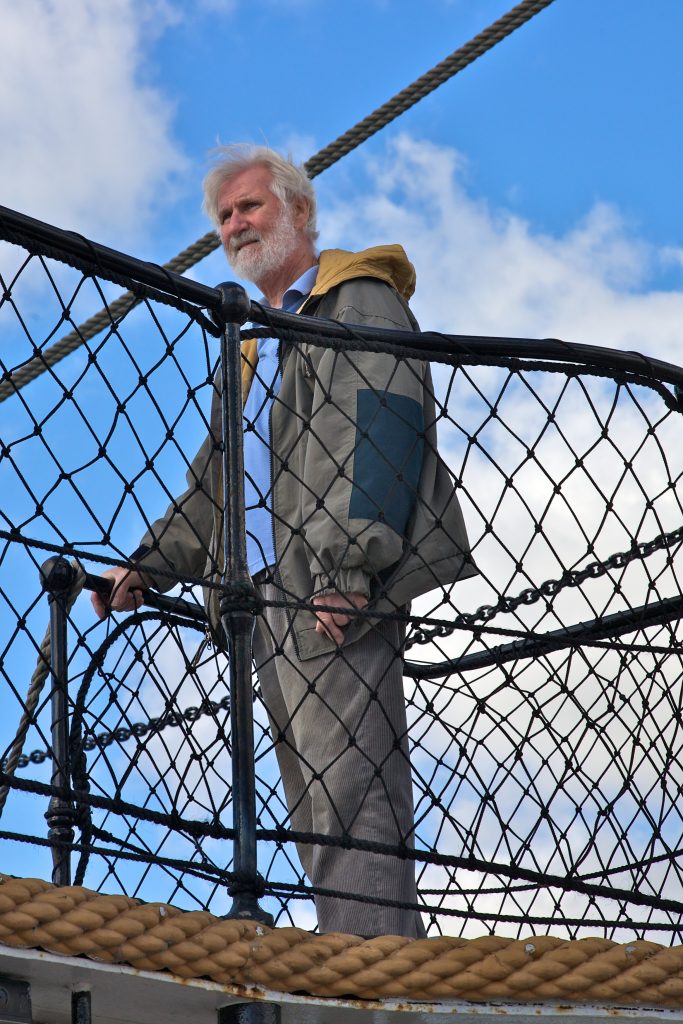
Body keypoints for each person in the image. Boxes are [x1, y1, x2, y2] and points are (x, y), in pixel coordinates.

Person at [92, 145, 476, 938]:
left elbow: (377, 430)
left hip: (327, 584)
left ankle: (373, 965)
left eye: (249, 208)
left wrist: (349, 572)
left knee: (350, 787)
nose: (234, 225)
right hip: (265, 594)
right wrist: (146, 567)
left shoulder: (354, 301)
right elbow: (217, 487)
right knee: (311, 796)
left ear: (298, 213)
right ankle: (353, 948)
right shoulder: (257, 342)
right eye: (224, 217)